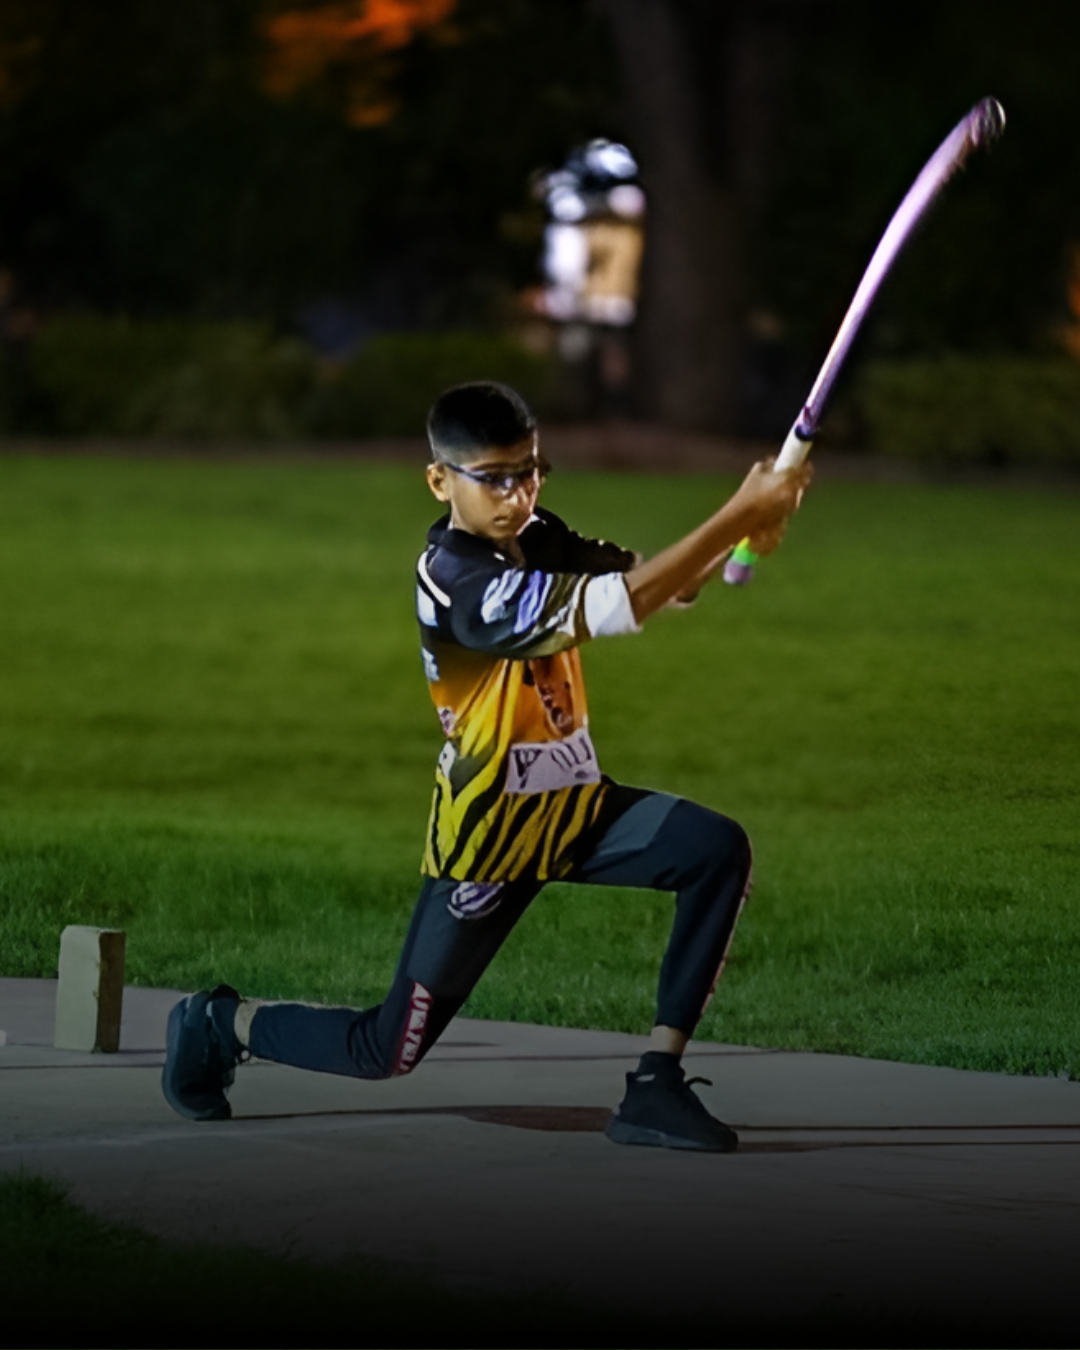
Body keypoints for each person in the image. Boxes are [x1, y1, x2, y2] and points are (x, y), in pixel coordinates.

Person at [162, 381, 811, 1151]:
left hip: (575, 810)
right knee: (387, 1050)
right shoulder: (455, 579)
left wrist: (748, 533)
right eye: (494, 478)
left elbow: (665, 586)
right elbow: (619, 607)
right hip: (491, 834)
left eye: (530, 471)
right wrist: (737, 511)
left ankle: (655, 1084)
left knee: (714, 849)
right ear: (440, 481)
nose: (518, 494)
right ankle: (219, 1023)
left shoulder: (540, 534)